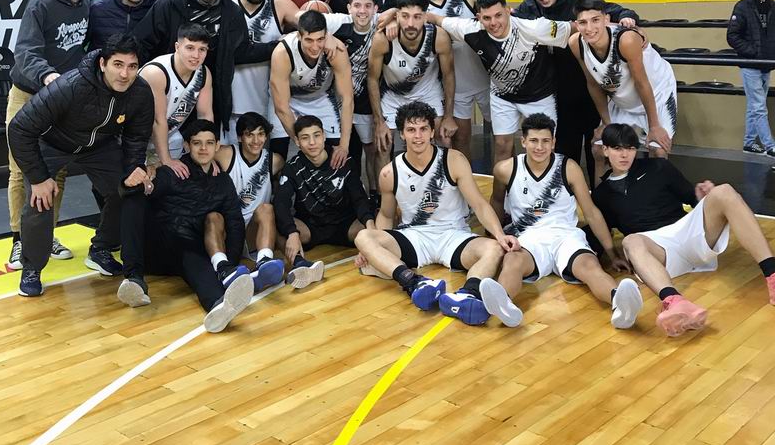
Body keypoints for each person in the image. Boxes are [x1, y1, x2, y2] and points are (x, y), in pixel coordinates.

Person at [593, 123, 775, 337]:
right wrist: (612, 256)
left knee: (724, 191)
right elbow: (600, 228)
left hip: (686, 231)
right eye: (617, 148)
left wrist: (700, 196)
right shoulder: (602, 194)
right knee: (630, 241)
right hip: (656, 248)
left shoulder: (658, 167)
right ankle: (675, 302)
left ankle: (772, 274)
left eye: (630, 148)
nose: (624, 155)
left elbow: (690, 197)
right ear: (605, 150)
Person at [7, 33, 154, 296]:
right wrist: (38, 178)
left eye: (132, 66)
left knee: (126, 189)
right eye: (118, 65)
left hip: (99, 146)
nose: (125, 74)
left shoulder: (140, 92)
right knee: (41, 200)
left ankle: (101, 249)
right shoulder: (71, 85)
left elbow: (137, 136)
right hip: (52, 143)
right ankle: (32, 268)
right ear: (103, 64)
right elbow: (19, 129)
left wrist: (134, 167)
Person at [354, 101, 513, 326]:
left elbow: (479, 204)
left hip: (453, 235)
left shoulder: (453, 160)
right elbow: (387, 216)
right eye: (411, 130)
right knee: (363, 237)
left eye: (423, 129)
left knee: (494, 248)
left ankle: (466, 295)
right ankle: (414, 283)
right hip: (414, 237)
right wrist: (373, 250)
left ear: (431, 132)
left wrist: (499, 234)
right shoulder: (390, 172)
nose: (418, 136)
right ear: (402, 134)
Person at [482, 113, 641, 330]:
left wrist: (611, 253)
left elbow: (591, 213)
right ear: (523, 141)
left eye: (545, 141)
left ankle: (620, 305)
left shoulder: (569, 167)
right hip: (529, 237)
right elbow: (497, 201)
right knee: (512, 261)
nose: (540, 147)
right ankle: (505, 305)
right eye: (534, 141)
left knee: (590, 266)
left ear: (554, 142)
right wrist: (495, 236)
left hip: (566, 236)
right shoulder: (505, 169)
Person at [117, 119, 256, 333]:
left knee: (195, 253)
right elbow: (142, 190)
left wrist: (231, 263)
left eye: (209, 143)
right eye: (197, 143)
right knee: (132, 199)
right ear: (186, 146)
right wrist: (130, 184)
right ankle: (134, 279)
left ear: (217, 146)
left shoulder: (223, 182)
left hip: (188, 252)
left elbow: (235, 222)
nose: (203, 149)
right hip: (158, 248)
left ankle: (218, 307)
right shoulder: (171, 172)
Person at [6, 0, 96, 270]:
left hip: (62, 100)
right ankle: (19, 240)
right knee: (21, 170)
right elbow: (25, 52)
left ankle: (46, 235)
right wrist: (48, 75)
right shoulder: (40, 4)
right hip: (28, 94)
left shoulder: (89, 6)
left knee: (57, 171)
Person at [514, 0, 639, 182]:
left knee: (596, 147)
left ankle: (601, 195)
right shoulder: (529, 7)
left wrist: (627, 17)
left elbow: (615, 11)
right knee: (565, 148)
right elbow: (511, 20)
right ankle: (567, 192)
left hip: (591, 84)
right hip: (559, 87)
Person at [135, 0, 278, 138]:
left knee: (203, 145)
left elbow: (241, 52)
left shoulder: (232, 12)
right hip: (169, 91)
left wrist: (281, 46)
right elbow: (140, 44)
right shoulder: (168, 4)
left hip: (211, 94)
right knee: (160, 143)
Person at [424, 0, 572, 164]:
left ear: (508, 11)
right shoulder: (470, 29)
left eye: (498, 15)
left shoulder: (534, 27)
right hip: (502, 96)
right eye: (487, 18)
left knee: (543, 148)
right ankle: (503, 183)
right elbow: (436, 19)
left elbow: (574, 27)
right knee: (501, 145)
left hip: (539, 96)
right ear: (478, 17)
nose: (494, 23)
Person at [571, 0, 677, 175]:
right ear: (576, 25)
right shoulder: (576, 43)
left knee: (658, 150)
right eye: (583, 23)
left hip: (656, 92)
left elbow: (642, 83)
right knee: (599, 149)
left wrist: (654, 126)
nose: (589, 28)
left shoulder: (626, 40)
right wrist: (607, 123)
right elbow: (593, 84)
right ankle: (603, 193)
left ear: (606, 19)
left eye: (595, 20)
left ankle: (655, 192)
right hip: (621, 94)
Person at [274, 114, 376, 288]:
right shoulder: (293, 166)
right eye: (305, 138)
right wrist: (292, 233)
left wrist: (371, 227)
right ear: (297, 141)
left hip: (345, 225)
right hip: (310, 227)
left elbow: (359, 198)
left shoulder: (343, 160)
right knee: (279, 226)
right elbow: (281, 203)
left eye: (316, 135)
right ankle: (300, 264)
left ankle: (376, 256)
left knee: (375, 222)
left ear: (324, 136)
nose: (312, 142)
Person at [413, 0, 491, 158]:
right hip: (456, 84)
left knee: (502, 138)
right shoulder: (419, 8)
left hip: (488, 78)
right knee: (461, 139)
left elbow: (496, 15)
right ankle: (464, 179)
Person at [368, 0, 457, 173]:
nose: (410, 23)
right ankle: (384, 191)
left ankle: (441, 184)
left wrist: (448, 116)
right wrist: (379, 122)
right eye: (405, 16)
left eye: (417, 17)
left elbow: (449, 75)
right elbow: (372, 79)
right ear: (396, 16)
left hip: (428, 92)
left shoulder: (438, 37)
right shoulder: (383, 40)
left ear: (425, 17)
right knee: (383, 143)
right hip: (393, 95)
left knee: (444, 137)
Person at [269, 10, 354, 167]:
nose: (315, 47)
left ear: (326, 35)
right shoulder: (283, 52)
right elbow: (281, 107)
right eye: (309, 40)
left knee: (335, 153)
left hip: (320, 97)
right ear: (299, 36)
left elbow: (347, 98)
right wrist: (299, 141)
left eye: (320, 39)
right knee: (279, 151)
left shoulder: (336, 50)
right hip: (288, 100)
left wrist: (344, 145)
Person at [229, 0, 300, 139]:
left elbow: (311, 25)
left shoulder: (280, 5)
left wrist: (328, 38)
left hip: (272, 104)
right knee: (235, 155)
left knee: (272, 155)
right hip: (234, 105)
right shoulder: (227, 6)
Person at [216, 111, 285, 292]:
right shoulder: (225, 154)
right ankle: (222, 269)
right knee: (214, 217)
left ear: (266, 137)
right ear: (240, 137)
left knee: (267, 209)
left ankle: (264, 261)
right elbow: (198, 155)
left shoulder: (275, 161)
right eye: (249, 134)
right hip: (229, 231)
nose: (256, 140)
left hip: (253, 233)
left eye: (261, 134)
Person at [139, 23, 213, 175]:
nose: (196, 55)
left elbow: (205, 116)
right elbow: (157, 120)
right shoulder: (156, 72)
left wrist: (208, 157)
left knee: (178, 180)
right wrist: (166, 160)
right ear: (177, 47)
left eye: (202, 49)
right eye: (190, 48)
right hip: (134, 139)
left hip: (169, 136)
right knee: (141, 184)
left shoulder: (204, 73)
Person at [333, 0, 380, 188]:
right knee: (346, 151)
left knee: (371, 150)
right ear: (349, 8)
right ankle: (348, 195)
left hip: (366, 102)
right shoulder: (337, 33)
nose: (362, 11)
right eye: (357, 5)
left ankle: (374, 194)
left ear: (375, 9)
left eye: (368, 6)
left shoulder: (381, 33)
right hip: (340, 102)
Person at [727, 0, 775, 155]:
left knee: (755, 106)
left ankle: (749, 143)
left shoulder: (772, 6)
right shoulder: (742, 7)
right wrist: (752, 52)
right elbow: (732, 36)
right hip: (750, 64)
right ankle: (770, 146)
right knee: (759, 107)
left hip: (766, 64)